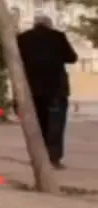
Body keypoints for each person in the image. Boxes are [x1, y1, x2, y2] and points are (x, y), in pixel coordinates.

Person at [17, 14, 78, 169]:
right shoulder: (58, 36)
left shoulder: (23, 38)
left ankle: (39, 158)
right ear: (49, 24)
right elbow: (72, 57)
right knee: (56, 124)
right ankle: (54, 158)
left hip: (33, 89)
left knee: (39, 124)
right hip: (56, 88)